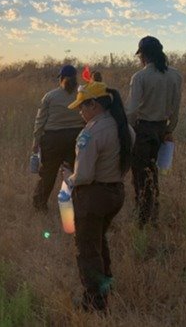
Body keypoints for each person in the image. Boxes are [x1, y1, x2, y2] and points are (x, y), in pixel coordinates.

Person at [61, 81, 135, 313]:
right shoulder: (125, 128)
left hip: (93, 197)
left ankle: (94, 302)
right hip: (115, 193)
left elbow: (83, 175)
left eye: (82, 107)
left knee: (87, 249)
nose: (80, 112)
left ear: (94, 105)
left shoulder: (91, 132)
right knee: (98, 240)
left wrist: (67, 178)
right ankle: (106, 284)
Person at [126, 36, 182, 228]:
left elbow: (132, 110)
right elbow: (176, 109)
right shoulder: (175, 75)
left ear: (143, 55)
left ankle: (142, 219)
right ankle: (153, 213)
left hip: (142, 130)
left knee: (141, 174)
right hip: (161, 130)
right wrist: (168, 130)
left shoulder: (140, 77)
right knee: (152, 171)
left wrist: (128, 130)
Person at [31, 65, 85, 212]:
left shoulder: (50, 96)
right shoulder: (83, 94)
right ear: (76, 78)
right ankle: (77, 205)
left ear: (60, 79)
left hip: (53, 139)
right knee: (75, 173)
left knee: (48, 173)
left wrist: (36, 142)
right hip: (76, 138)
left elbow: (40, 121)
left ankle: (40, 205)